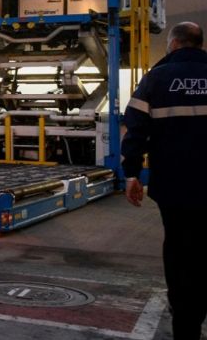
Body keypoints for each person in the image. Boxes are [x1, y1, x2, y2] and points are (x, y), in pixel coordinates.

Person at [122, 22, 207, 339]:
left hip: (174, 186)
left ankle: (185, 321)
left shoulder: (156, 79)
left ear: (173, 44)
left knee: (179, 249)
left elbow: (135, 131)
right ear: (199, 44)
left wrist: (131, 173)